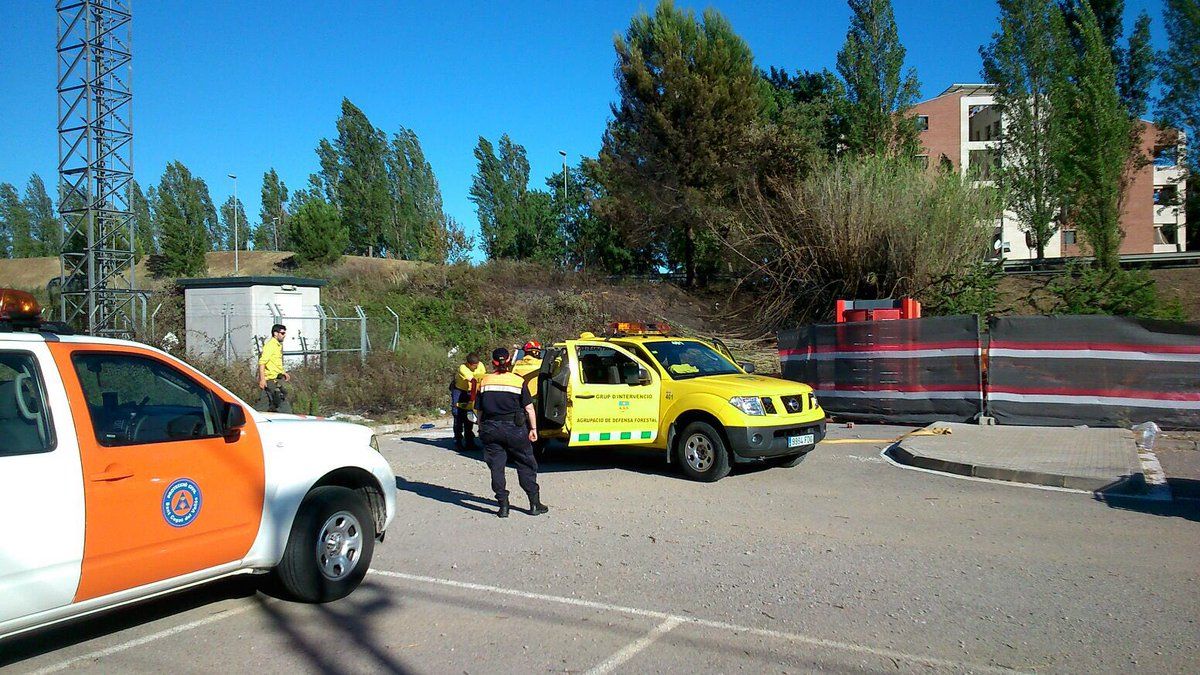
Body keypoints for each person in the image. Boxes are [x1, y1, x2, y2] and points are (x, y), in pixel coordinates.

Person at [476, 347, 548, 518]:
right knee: (525, 464)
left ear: (493, 362)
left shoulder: (484, 381)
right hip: (514, 429)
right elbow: (529, 408)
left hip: (490, 428)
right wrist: (533, 429)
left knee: (496, 467)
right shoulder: (518, 381)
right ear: (509, 361)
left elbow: (478, 411)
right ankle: (534, 504)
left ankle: (503, 506)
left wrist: (481, 428)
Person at [451, 352, 485, 451]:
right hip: (460, 391)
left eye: (477, 365)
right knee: (457, 414)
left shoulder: (481, 365)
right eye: (474, 366)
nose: (476, 367)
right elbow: (473, 381)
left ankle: (470, 441)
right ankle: (458, 441)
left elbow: (482, 379)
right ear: (469, 364)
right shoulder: (463, 368)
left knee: (469, 415)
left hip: (472, 391)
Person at [257, 324, 291, 413]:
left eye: (285, 333)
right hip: (272, 380)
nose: (284, 335)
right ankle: (289, 422)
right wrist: (262, 379)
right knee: (283, 403)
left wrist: (283, 372)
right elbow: (262, 363)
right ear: (275, 333)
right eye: (282, 333)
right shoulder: (270, 345)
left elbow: (275, 363)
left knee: (262, 406)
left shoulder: (277, 345)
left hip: (275, 378)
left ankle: (253, 421)